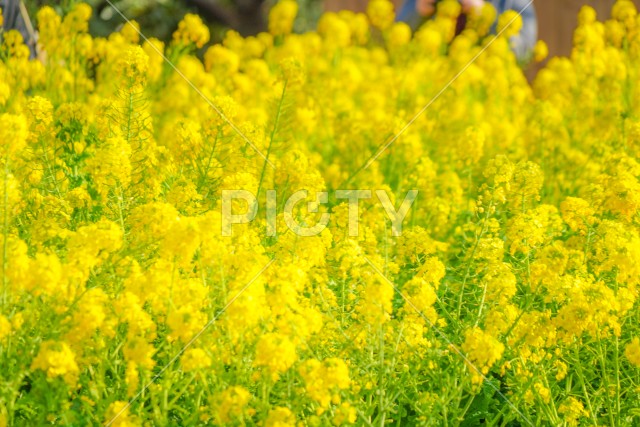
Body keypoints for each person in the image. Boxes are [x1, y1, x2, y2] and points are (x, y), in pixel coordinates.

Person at [398, 0, 537, 62]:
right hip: (431, 82)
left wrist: (485, 15)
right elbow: (397, 33)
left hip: (485, 89)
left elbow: (523, 50)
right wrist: (418, 10)